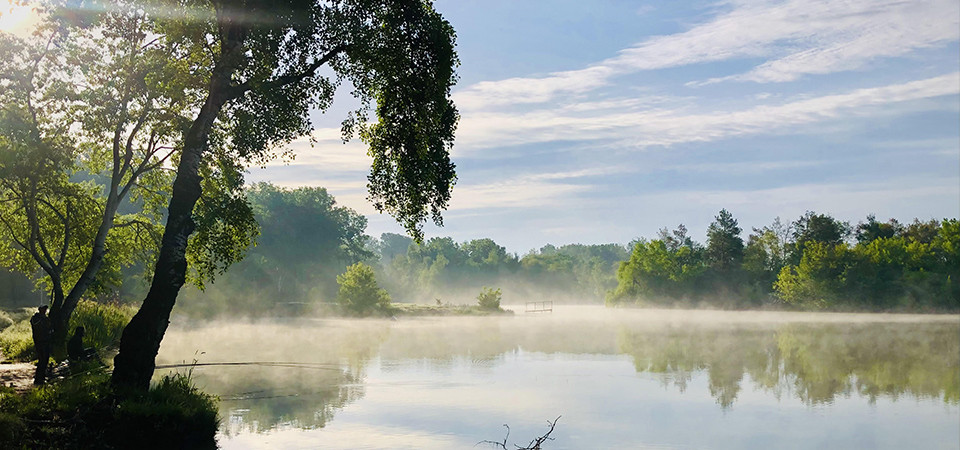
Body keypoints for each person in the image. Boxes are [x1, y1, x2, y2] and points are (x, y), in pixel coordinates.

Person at [30, 305, 52, 385]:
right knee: (43, 360)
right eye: (44, 309)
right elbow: (48, 328)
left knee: (41, 359)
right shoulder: (43, 319)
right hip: (43, 341)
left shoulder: (34, 319)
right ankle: (40, 378)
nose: (45, 311)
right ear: (41, 310)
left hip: (38, 341)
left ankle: (39, 377)